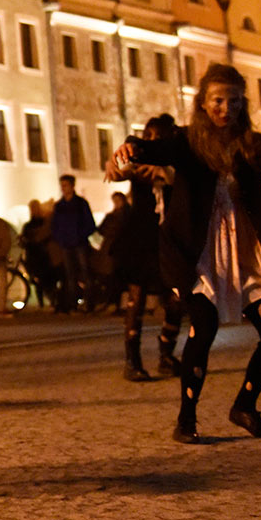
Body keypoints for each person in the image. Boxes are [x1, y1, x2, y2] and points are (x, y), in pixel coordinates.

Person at [113, 63, 261, 444]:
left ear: (242, 104)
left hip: (244, 256)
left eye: (233, 101)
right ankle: (186, 419)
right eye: (217, 101)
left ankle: (245, 405)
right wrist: (134, 145)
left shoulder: (248, 141)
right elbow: (157, 147)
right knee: (203, 329)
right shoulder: (188, 141)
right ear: (203, 103)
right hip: (200, 257)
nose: (225, 109)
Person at [107, 114, 183, 381]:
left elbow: (178, 180)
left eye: (156, 137)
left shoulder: (175, 162)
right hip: (140, 237)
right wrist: (114, 164)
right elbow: (120, 170)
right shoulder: (139, 163)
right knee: (136, 299)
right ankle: (132, 360)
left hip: (167, 239)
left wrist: (164, 172)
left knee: (176, 298)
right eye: (148, 136)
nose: (150, 141)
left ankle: (166, 353)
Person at [51, 175, 96, 313]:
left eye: (65, 185)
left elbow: (90, 223)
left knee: (85, 272)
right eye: (62, 185)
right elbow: (55, 225)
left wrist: (80, 235)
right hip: (66, 244)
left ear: (72, 186)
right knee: (70, 275)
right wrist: (60, 238)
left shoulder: (81, 204)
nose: (63, 188)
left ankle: (89, 303)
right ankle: (73, 304)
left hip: (79, 243)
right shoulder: (59, 206)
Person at [20, 200, 57, 309]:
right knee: (39, 280)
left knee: (45, 279)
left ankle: (49, 300)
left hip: (42, 255)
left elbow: (44, 235)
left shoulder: (41, 223)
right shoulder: (30, 225)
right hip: (35, 255)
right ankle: (44, 301)